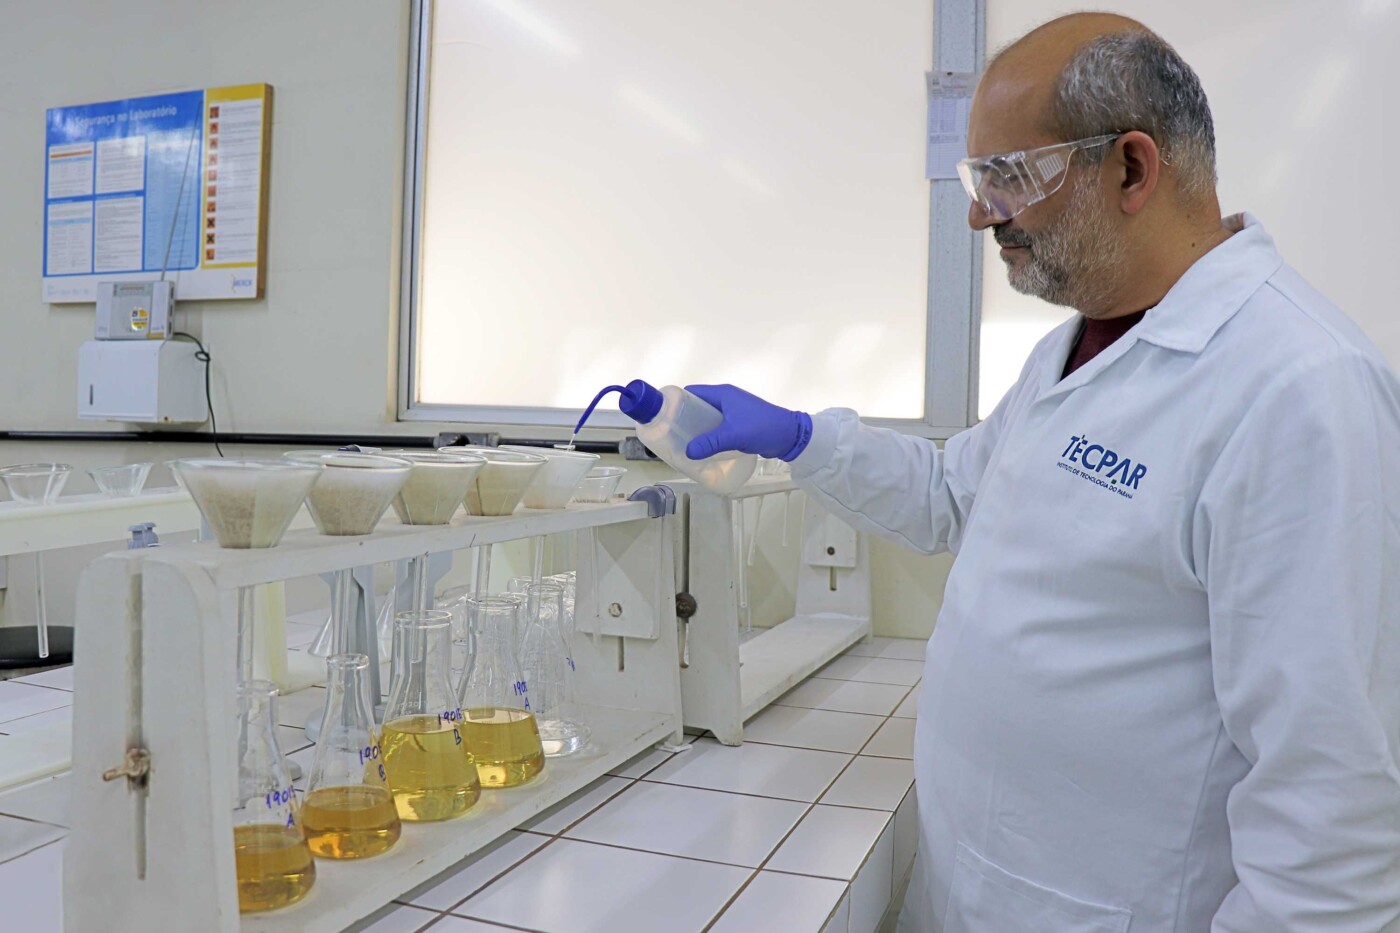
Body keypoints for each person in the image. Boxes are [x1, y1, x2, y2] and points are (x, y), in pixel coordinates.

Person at [684, 13, 1400, 932]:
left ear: (1131, 168)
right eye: (978, 179)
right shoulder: (1078, 345)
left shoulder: (1302, 391)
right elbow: (952, 497)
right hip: (982, 889)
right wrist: (798, 439)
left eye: (1010, 176)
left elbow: (1334, 815)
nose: (981, 213)